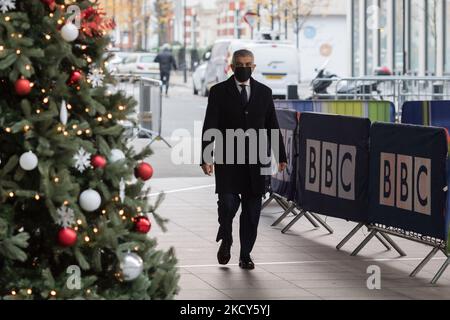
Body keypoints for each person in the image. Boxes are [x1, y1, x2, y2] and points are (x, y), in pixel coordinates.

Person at [201, 49, 288, 270]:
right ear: (231, 66)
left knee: (251, 212)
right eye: (239, 64)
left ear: (254, 66)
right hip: (228, 156)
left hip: (257, 160)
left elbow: (272, 126)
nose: (244, 67)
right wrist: (206, 156)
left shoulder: (265, 92)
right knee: (228, 204)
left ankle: (245, 254)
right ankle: (227, 235)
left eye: (248, 63)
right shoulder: (219, 92)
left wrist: (281, 155)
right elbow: (210, 124)